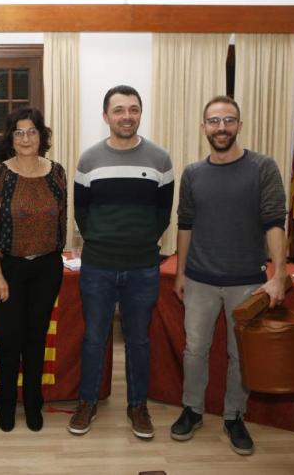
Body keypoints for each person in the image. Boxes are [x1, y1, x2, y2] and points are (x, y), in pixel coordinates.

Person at [169, 96, 288, 456]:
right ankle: (192, 410)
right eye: (214, 121)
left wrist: (279, 274)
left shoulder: (263, 167)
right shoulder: (193, 173)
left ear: (239, 125)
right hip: (199, 279)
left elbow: (274, 222)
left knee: (241, 355)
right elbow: (185, 225)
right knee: (195, 350)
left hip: (248, 281)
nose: (221, 127)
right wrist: (180, 272)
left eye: (228, 120)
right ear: (203, 127)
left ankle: (235, 416)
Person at [68, 85, 174, 439]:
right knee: (94, 339)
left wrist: (139, 241)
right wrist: (102, 239)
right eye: (119, 110)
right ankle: (87, 402)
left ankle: (137, 406)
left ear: (140, 113)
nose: (126, 116)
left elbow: (163, 214)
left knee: (139, 340)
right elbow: (81, 212)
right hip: (98, 265)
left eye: (133, 109)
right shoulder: (89, 160)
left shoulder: (160, 159)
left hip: (143, 266)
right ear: (106, 116)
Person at [0, 106, 67, 432]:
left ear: (41, 136)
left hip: (47, 268)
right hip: (9, 270)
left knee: (36, 339)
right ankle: (5, 403)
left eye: (31, 131)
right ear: (11, 138)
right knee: (9, 340)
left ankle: (32, 403)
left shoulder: (57, 173)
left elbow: (61, 222)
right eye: (19, 132)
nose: (26, 138)